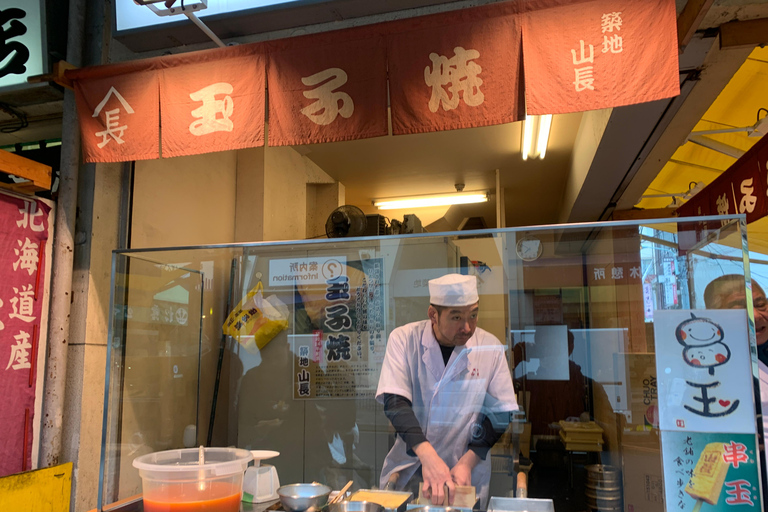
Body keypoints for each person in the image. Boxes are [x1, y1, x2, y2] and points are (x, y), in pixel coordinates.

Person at [376, 274, 518, 506]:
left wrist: (468, 462)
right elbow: (395, 403)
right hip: (410, 467)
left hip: (464, 473)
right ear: (433, 314)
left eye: (473, 314)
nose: (467, 326)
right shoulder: (404, 339)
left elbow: (501, 412)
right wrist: (428, 456)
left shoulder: (489, 347)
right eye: (456, 317)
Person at [704, 274, 768, 510]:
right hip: (745, 489)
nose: (757, 316)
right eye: (741, 309)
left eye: (761, 304)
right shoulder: (708, 370)